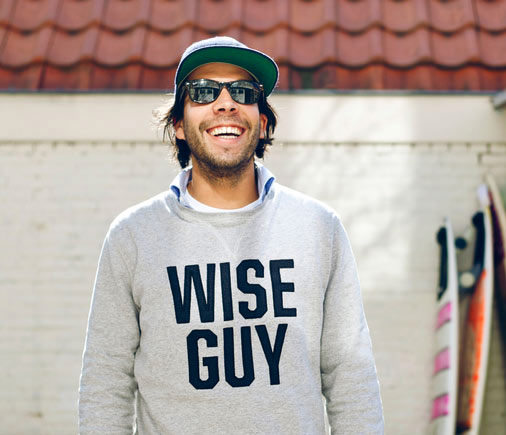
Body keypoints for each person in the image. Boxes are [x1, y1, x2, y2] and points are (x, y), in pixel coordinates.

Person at [79, 36, 384, 434]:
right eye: (203, 92)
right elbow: (106, 378)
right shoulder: (132, 236)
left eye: (243, 92)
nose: (226, 103)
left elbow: (350, 375)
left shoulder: (318, 227)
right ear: (179, 125)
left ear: (262, 123)